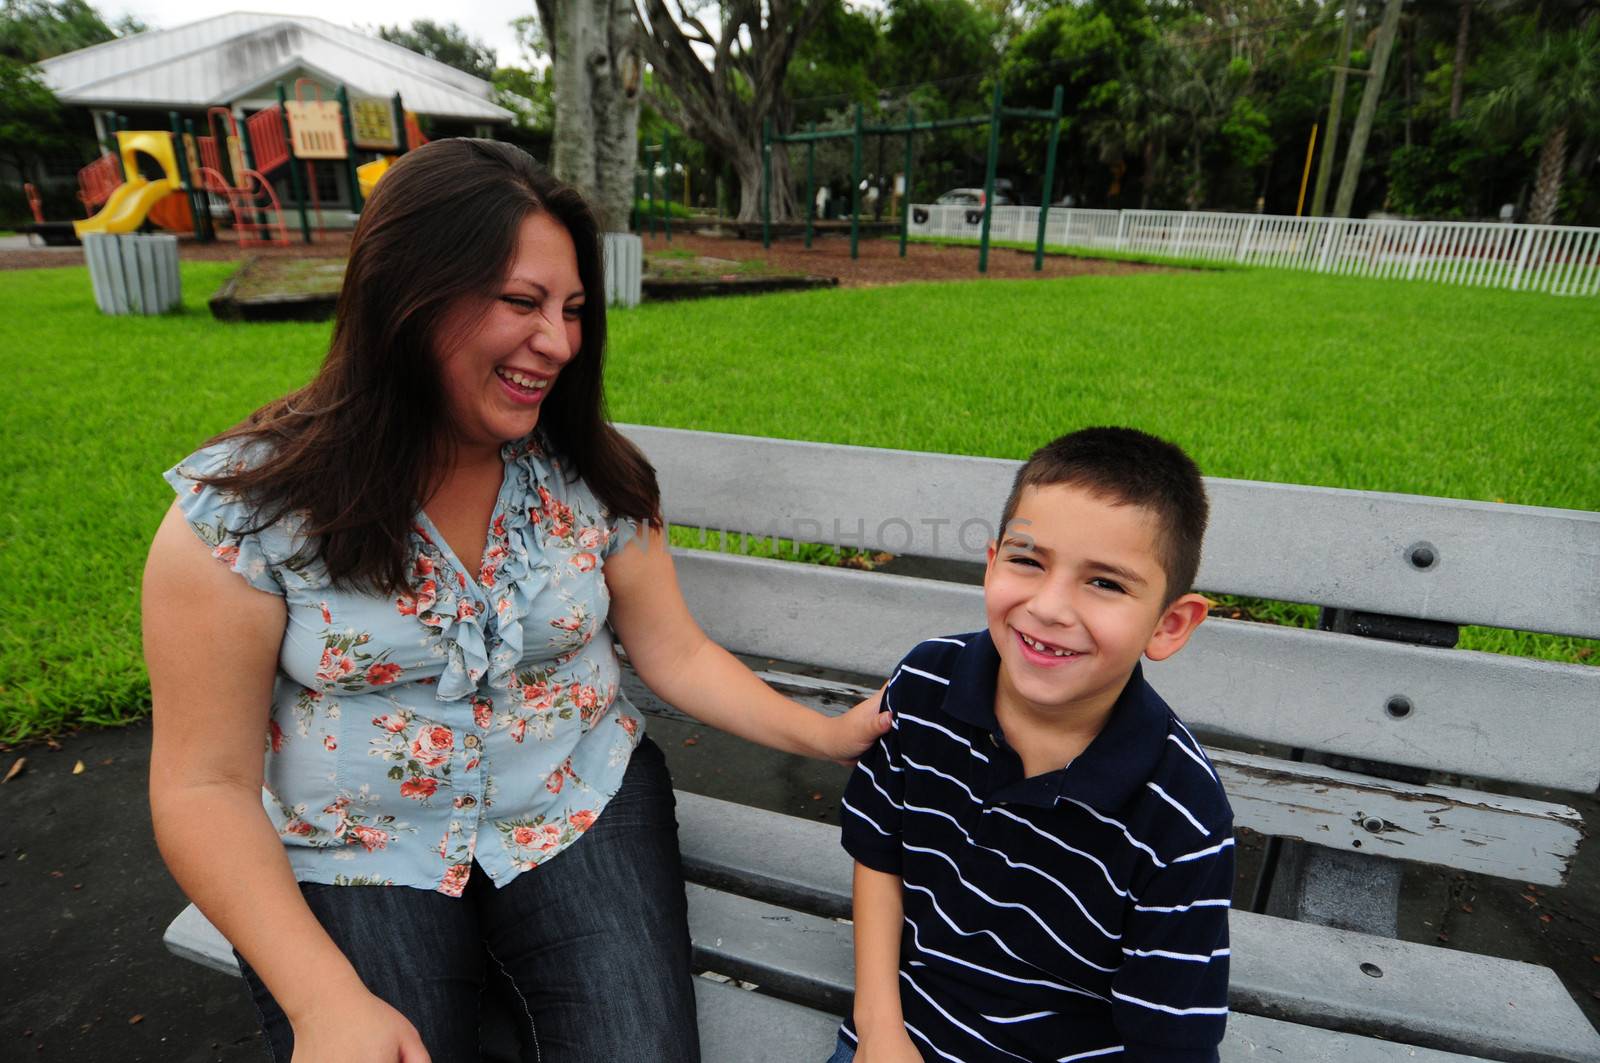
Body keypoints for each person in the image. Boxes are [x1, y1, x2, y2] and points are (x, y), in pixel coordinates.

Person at [142, 138, 888, 1063]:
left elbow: (676, 652)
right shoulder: (243, 517)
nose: (561, 342)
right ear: (406, 296)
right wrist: (324, 1001)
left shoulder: (589, 478)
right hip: (358, 844)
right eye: (523, 302)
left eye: (573, 309)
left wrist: (824, 733)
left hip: (576, 804)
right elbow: (200, 785)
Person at [831, 427, 1233, 1063]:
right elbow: (880, 856)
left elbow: (1170, 1040)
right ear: (992, 562)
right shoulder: (928, 683)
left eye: (1104, 583)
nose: (1049, 606)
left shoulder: (1179, 811)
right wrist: (879, 1030)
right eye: (1027, 561)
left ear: (1169, 624)